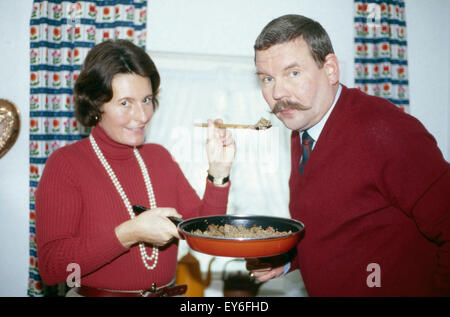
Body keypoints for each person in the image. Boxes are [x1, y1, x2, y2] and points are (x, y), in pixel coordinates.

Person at [247, 14, 450, 296]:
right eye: (267, 78)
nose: (278, 92)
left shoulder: (385, 130)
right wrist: (288, 261)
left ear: (330, 69)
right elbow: (339, 229)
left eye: (293, 73)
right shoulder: (303, 131)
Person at [35, 39, 236, 297]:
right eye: (125, 103)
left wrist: (219, 171)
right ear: (96, 104)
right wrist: (128, 234)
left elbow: (207, 235)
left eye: (146, 99)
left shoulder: (159, 158)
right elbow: (53, 267)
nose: (142, 116)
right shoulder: (66, 164)